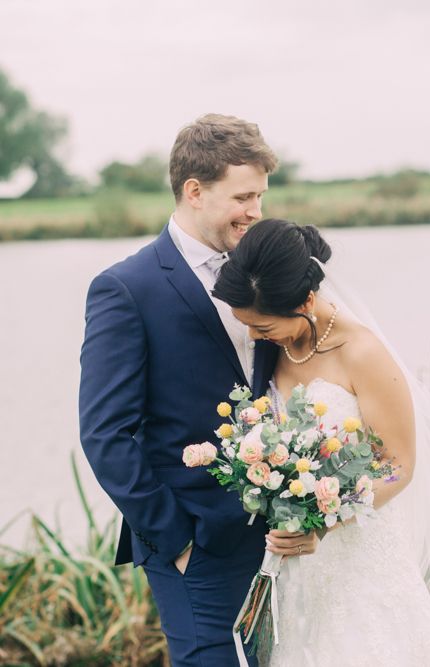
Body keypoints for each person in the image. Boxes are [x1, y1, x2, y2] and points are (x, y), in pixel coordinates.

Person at [79, 115, 318, 666]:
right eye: (243, 196)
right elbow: (106, 434)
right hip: (197, 545)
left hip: (278, 535)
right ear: (194, 191)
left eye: (260, 195)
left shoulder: (266, 270)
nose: (256, 210)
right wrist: (176, 539)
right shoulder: (126, 288)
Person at [212, 218, 430, 666]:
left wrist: (324, 519)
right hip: (302, 571)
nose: (254, 337)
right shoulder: (276, 349)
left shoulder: (363, 353)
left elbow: (398, 465)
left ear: (306, 300)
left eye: (263, 327)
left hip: (363, 556)